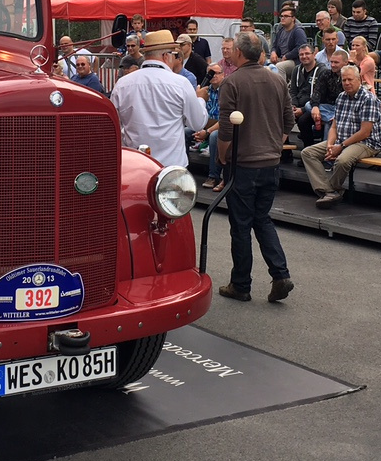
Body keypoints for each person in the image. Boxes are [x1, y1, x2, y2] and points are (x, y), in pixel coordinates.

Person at [216, 31, 296, 303]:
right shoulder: (277, 79)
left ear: (238, 52)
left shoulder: (232, 82)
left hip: (243, 164)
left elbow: (226, 129)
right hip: (270, 162)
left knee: (240, 225)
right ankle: (280, 274)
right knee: (261, 218)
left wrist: (223, 157)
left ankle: (241, 284)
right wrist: (275, 145)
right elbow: (289, 120)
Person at [110, 30, 207, 168]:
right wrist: (201, 99)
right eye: (173, 54)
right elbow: (198, 123)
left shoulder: (123, 84)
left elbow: (114, 125)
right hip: (171, 166)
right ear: (166, 56)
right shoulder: (181, 83)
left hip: (135, 164)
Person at [301, 66, 381, 208]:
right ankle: (328, 191)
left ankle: (332, 190)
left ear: (359, 80)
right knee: (308, 153)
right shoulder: (341, 97)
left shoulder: (369, 99)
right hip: (342, 139)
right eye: (344, 80)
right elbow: (334, 127)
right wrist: (330, 145)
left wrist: (341, 146)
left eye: (350, 79)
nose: (347, 83)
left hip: (366, 142)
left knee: (342, 160)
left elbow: (365, 132)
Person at [196, 62, 227, 191]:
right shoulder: (205, 91)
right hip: (206, 122)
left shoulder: (227, 90)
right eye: (210, 73)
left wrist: (207, 131)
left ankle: (213, 176)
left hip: (221, 124)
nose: (213, 76)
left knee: (214, 137)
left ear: (223, 75)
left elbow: (225, 118)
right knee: (185, 132)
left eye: (216, 73)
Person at [288, 43, 320, 147]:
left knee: (303, 121)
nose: (304, 56)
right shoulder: (296, 70)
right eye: (301, 54)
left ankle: (308, 149)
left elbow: (319, 94)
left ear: (314, 54)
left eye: (307, 53)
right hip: (298, 105)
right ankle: (285, 151)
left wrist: (302, 110)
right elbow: (293, 91)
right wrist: (294, 106)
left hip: (313, 106)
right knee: (282, 115)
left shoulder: (321, 71)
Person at [270, 3, 307, 78]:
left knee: (279, 67)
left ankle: (281, 86)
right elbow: (274, 46)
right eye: (281, 16)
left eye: (286, 16)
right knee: (265, 64)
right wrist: (273, 52)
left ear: (293, 18)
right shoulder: (281, 31)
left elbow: (301, 47)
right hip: (281, 59)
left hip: (295, 61)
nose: (283, 18)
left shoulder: (298, 31)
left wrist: (287, 56)